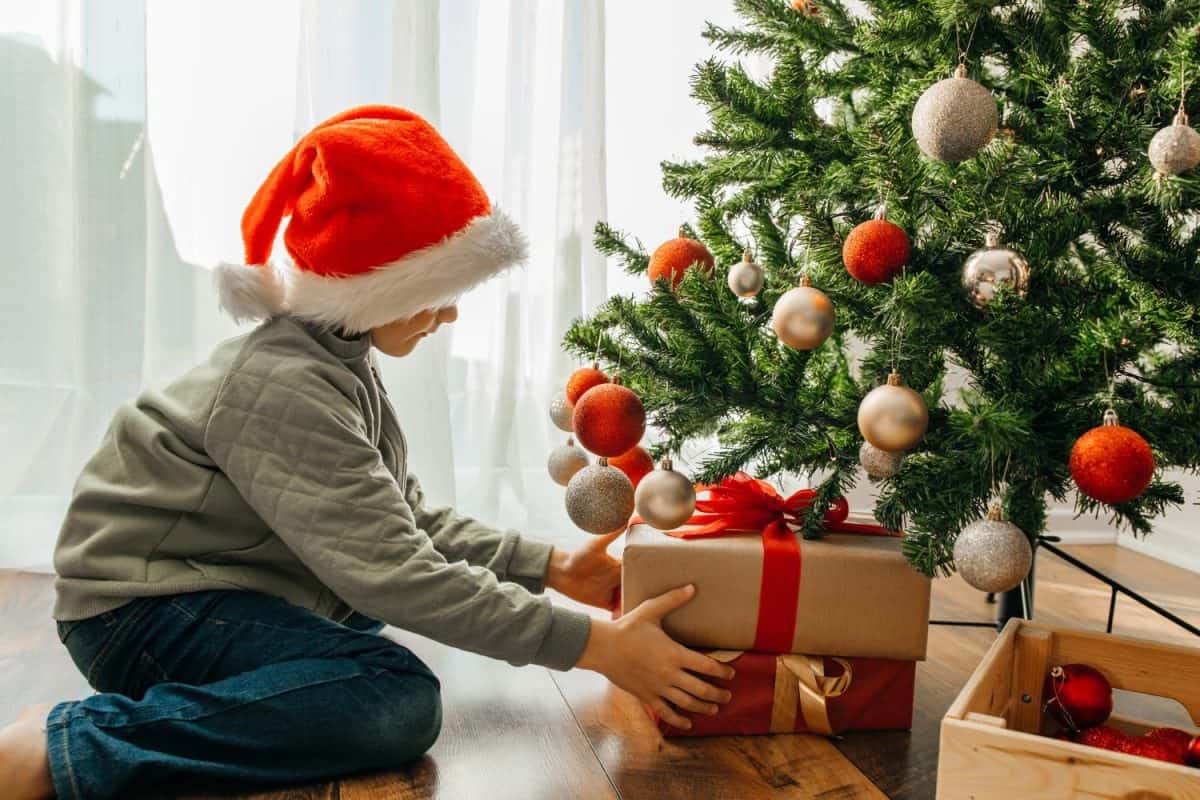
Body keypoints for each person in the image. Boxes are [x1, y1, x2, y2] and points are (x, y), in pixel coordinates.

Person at [0, 106, 734, 800]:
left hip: (213, 585)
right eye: (436, 291)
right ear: (376, 287)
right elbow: (396, 572)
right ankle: (70, 746)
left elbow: (397, 517)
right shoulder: (285, 385)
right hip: (140, 611)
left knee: (357, 623)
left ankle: (167, 712)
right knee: (394, 699)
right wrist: (597, 647)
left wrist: (547, 565)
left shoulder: (334, 359)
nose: (448, 313)